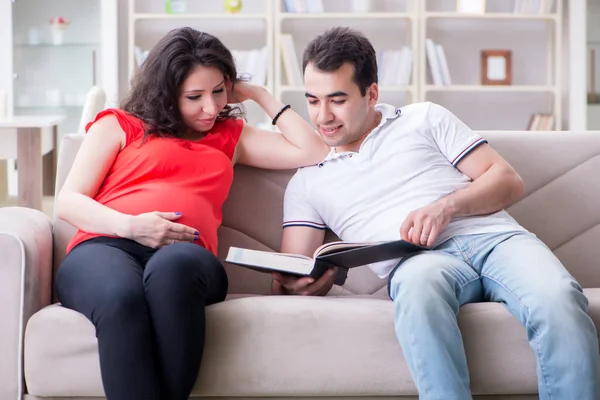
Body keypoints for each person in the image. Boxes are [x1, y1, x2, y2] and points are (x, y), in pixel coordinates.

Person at [272, 27, 600, 400]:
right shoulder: (308, 181)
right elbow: (290, 272)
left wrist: (446, 207)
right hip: (419, 262)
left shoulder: (424, 118)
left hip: (495, 240)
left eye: (337, 100)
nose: (323, 116)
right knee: (418, 293)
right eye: (312, 101)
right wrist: (304, 283)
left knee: (558, 297)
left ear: (372, 93)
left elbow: (507, 180)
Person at [55, 27, 328, 400]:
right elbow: (68, 201)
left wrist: (262, 95)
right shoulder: (119, 124)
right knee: (121, 297)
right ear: (166, 94)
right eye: (194, 97)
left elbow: (313, 151)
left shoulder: (231, 135)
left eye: (219, 91)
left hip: (187, 257)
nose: (211, 108)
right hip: (106, 246)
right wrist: (132, 227)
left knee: (173, 268)